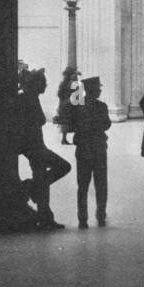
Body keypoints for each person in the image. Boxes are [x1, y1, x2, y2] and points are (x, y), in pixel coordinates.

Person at [17, 68, 70, 230]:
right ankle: (30, 189)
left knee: (42, 180)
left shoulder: (31, 98)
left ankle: (45, 215)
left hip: (36, 145)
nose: (46, 84)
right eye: (43, 82)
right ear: (35, 84)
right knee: (63, 167)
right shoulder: (26, 99)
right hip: (34, 147)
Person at [71, 75, 111, 229]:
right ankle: (100, 214)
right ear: (92, 90)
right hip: (99, 147)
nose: (100, 90)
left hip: (82, 148)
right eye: (98, 88)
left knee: (83, 185)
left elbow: (71, 124)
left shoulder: (77, 106)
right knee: (101, 183)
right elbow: (107, 125)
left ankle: (82, 217)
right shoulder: (101, 106)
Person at [55, 68, 80, 145]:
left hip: (64, 105)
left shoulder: (63, 83)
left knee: (65, 122)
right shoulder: (73, 83)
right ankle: (73, 139)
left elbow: (59, 94)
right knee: (74, 121)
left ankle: (64, 139)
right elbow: (77, 94)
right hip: (71, 105)